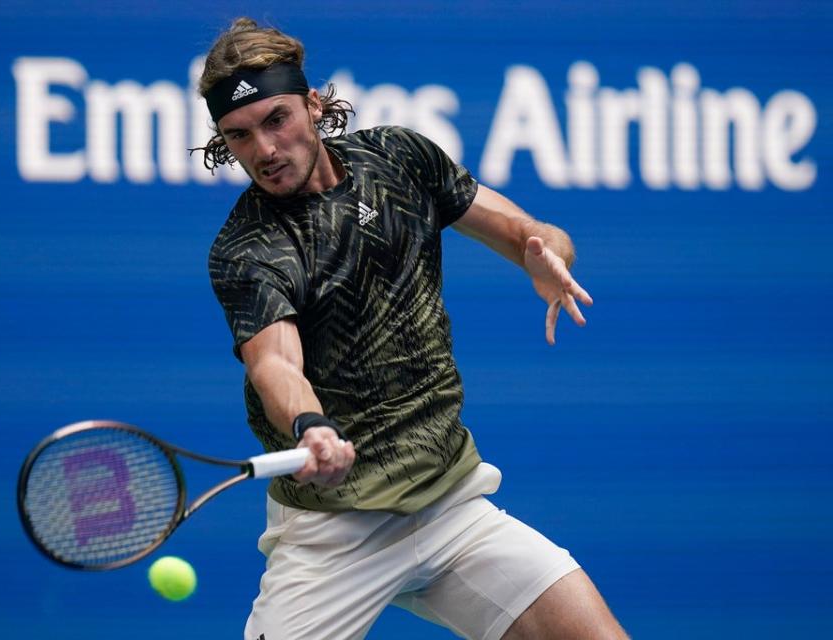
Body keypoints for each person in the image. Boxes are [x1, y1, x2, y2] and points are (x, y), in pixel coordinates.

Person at [195, 17, 628, 640]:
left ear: (313, 105)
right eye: (239, 135)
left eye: (277, 119)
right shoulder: (249, 248)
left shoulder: (398, 158)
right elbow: (275, 365)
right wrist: (311, 426)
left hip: (450, 502)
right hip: (334, 532)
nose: (263, 149)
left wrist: (548, 254)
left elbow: (528, 232)